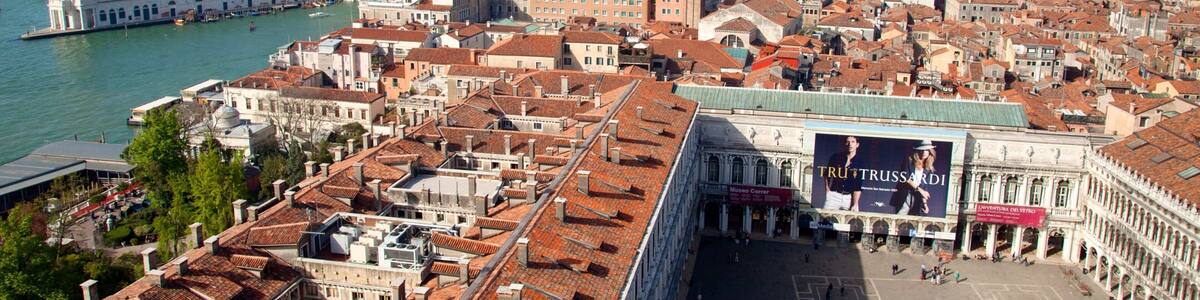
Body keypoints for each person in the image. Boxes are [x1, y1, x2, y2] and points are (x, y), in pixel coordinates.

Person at [821, 136, 863, 211]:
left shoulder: (860, 162)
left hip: (849, 198)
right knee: (824, 219)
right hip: (834, 195)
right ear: (845, 144)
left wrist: (855, 203)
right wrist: (827, 189)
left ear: (857, 144)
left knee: (850, 221)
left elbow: (858, 185)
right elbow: (826, 174)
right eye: (848, 142)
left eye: (853, 142)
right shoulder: (836, 157)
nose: (850, 144)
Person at [896, 141, 936, 216]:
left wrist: (925, 203)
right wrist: (920, 190)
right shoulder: (909, 160)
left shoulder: (928, 168)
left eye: (927, 150)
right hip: (906, 195)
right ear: (918, 150)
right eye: (922, 149)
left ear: (930, 152)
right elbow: (906, 178)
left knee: (914, 222)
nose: (924, 152)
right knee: (900, 217)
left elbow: (924, 187)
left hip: (918, 198)